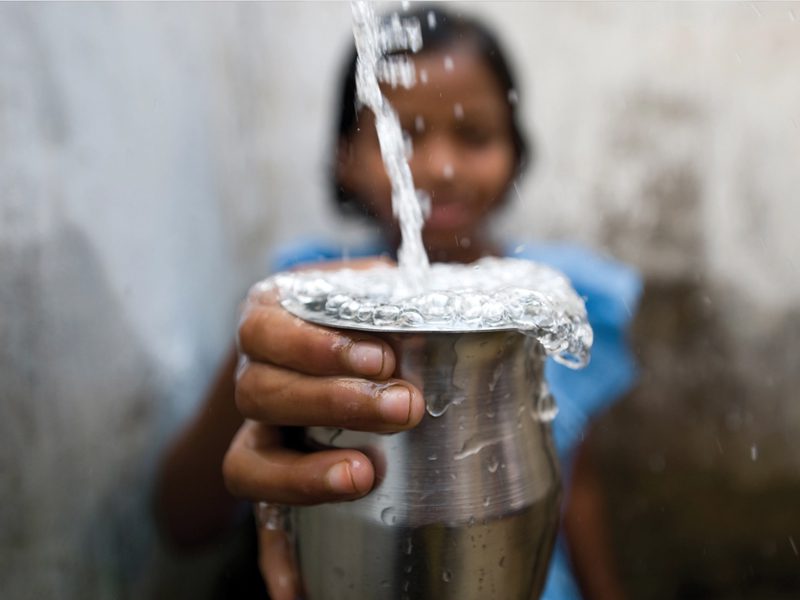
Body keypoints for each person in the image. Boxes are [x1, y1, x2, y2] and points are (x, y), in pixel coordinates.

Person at [155, 6, 641, 600]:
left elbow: (576, 486)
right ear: (345, 158)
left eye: (475, 135)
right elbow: (183, 523)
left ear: (515, 149)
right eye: (401, 136)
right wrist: (255, 359)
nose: (439, 168)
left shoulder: (556, 297)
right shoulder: (305, 299)